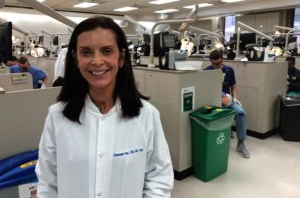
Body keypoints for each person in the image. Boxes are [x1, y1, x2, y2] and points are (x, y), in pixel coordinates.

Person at [35, 16, 174, 198]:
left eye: (107, 51)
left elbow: (159, 179)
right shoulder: (57, 116)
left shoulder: (147, 115)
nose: (97, 61)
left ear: (121, 58)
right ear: (76, 60)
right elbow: (47, 183)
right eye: (86, 52)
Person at [204, 49, 250, 158]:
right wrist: (218, 98)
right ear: (211, 62)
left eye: (220, 62)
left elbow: (233, 86)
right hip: (212, 101)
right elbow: (205, 90)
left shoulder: (229, 70)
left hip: (227, 100)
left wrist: (235, 98)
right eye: (215, 64)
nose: (218, 65)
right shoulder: (206, 72)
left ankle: (241, 144)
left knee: (241, 113)